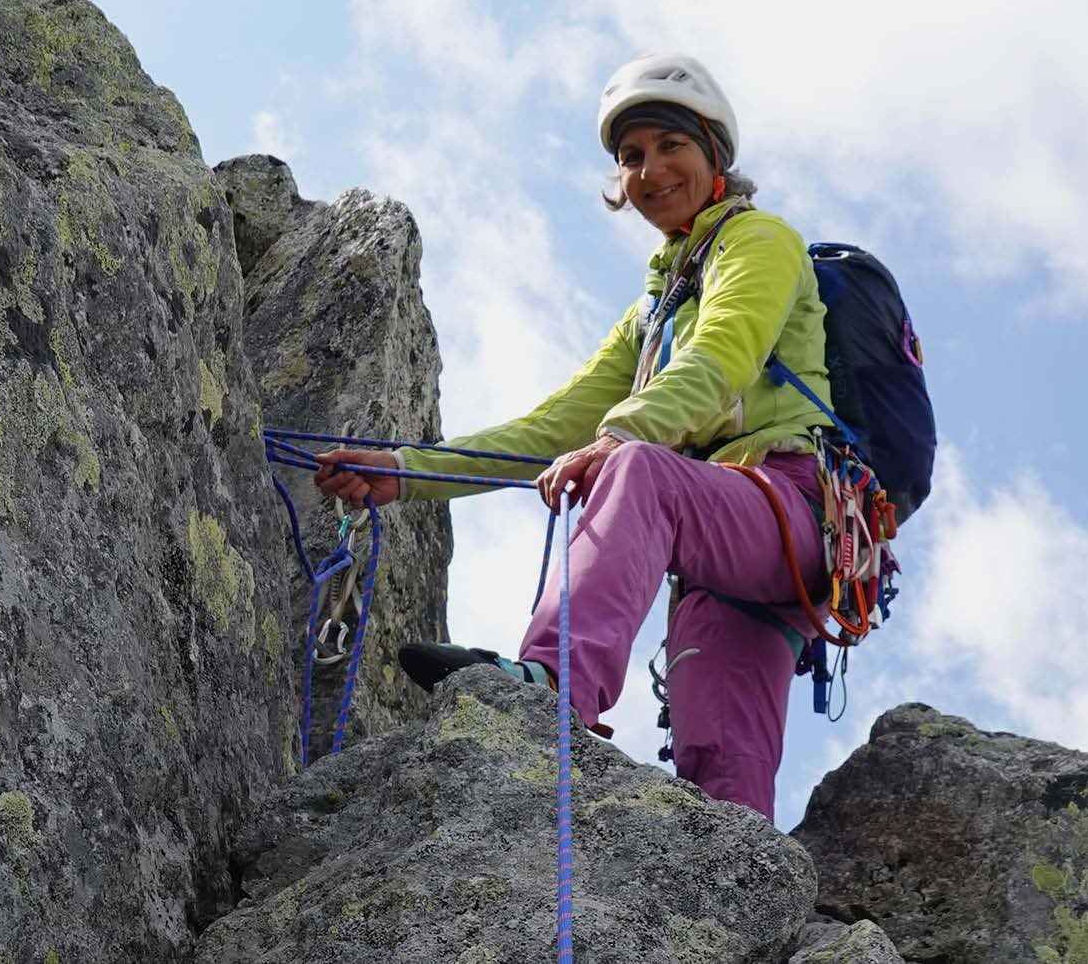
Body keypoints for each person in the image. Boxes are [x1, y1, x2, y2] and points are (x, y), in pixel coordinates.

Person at [313, 52, 833, 822]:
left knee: (641, 473)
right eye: (631, 157)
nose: (649, 169)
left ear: (714, 153)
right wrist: (404, 470)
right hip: (728, 555)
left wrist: (621, 440)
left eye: (670, 145)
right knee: (721, 780)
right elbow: (551, 428)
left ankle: (554, 682)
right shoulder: (655, 310)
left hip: (786, 502)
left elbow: (722, 357)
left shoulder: (760, 243)